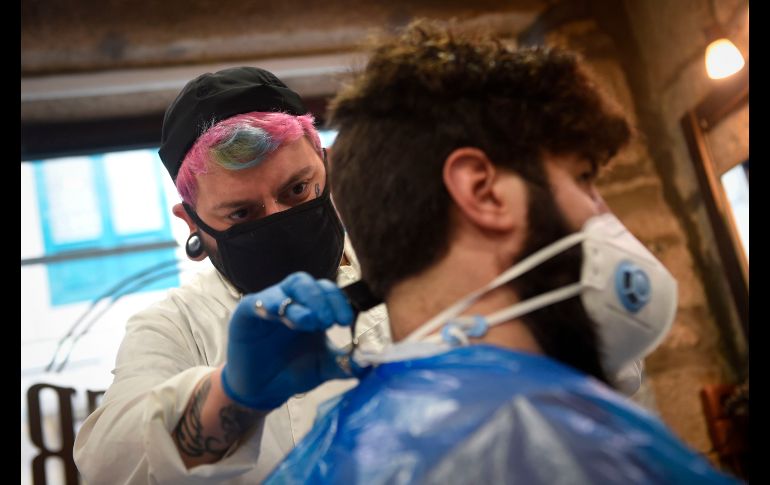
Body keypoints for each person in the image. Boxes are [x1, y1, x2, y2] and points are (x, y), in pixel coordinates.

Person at [256, 21, 740, 483]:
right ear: (483, 191)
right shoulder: (563, 447)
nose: (601, 213)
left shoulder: (335, 447)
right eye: (584, 179)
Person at [73, 66, 390, 483]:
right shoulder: (175, 326)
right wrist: (232, 393)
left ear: (326, 166)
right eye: (242, 213)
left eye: (296, 190)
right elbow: (110, 465)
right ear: (192, 224)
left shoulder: (398, 270)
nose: (279, 219)